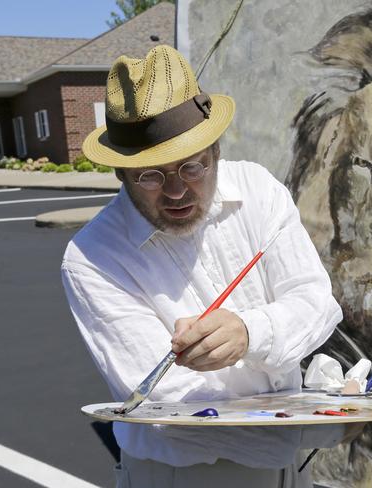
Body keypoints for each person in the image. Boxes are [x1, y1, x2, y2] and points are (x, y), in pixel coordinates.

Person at [61, 45, 352, 488]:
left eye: (192, 165)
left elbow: (316, 302)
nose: (177, 190)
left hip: (293, 470)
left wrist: (250, 332)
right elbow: (170, 404)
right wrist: (322, 422)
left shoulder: (258, 189)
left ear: (216, 149)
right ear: (119, 173)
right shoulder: (92, 257)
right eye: (150, 175)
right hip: (183, 475)